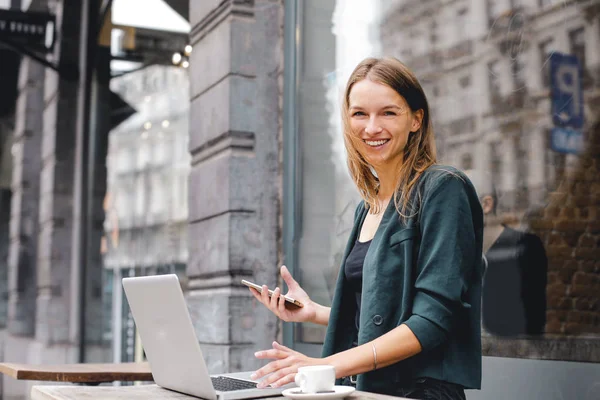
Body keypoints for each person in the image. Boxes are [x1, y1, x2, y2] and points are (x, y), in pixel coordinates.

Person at [247, 57, 484, 400]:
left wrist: (325, 365)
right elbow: (383, 313)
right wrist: (316, 313)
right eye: (360, 114)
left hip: (419, 392)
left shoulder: (443, 189)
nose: (372, 127)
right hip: (366, 390)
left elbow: (432, 321)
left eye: (388, 113)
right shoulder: (368, 207)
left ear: (416, 119)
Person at [465, 169, 547, 336]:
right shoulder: (458, 254)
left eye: (458, 203)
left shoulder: (523, 248)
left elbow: (532, 324)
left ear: (486, 205)